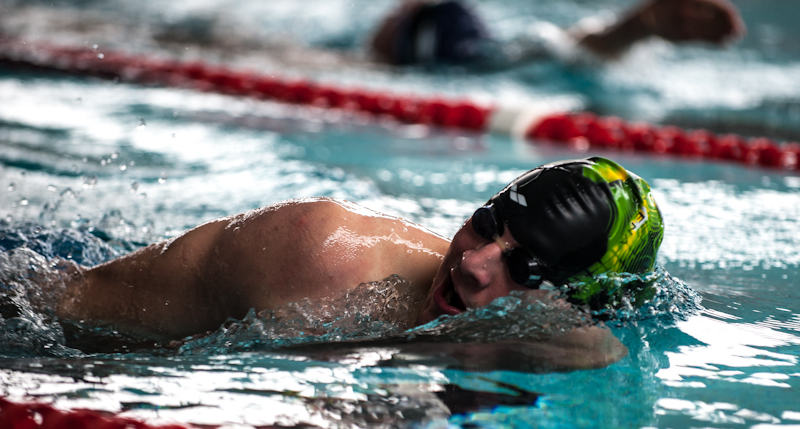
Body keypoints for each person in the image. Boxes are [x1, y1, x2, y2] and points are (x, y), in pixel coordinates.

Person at [55, 156, 664, 365]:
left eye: (524, 267)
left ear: (571, 306)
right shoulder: (325, 256)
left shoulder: (578, 351)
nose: (474, 263)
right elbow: (61, 320)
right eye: (485, 224)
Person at [370, 0, 745, 67]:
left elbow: (556, 48)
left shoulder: (475, 63)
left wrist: (634, 28)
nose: (392, 11)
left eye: (399, 14)